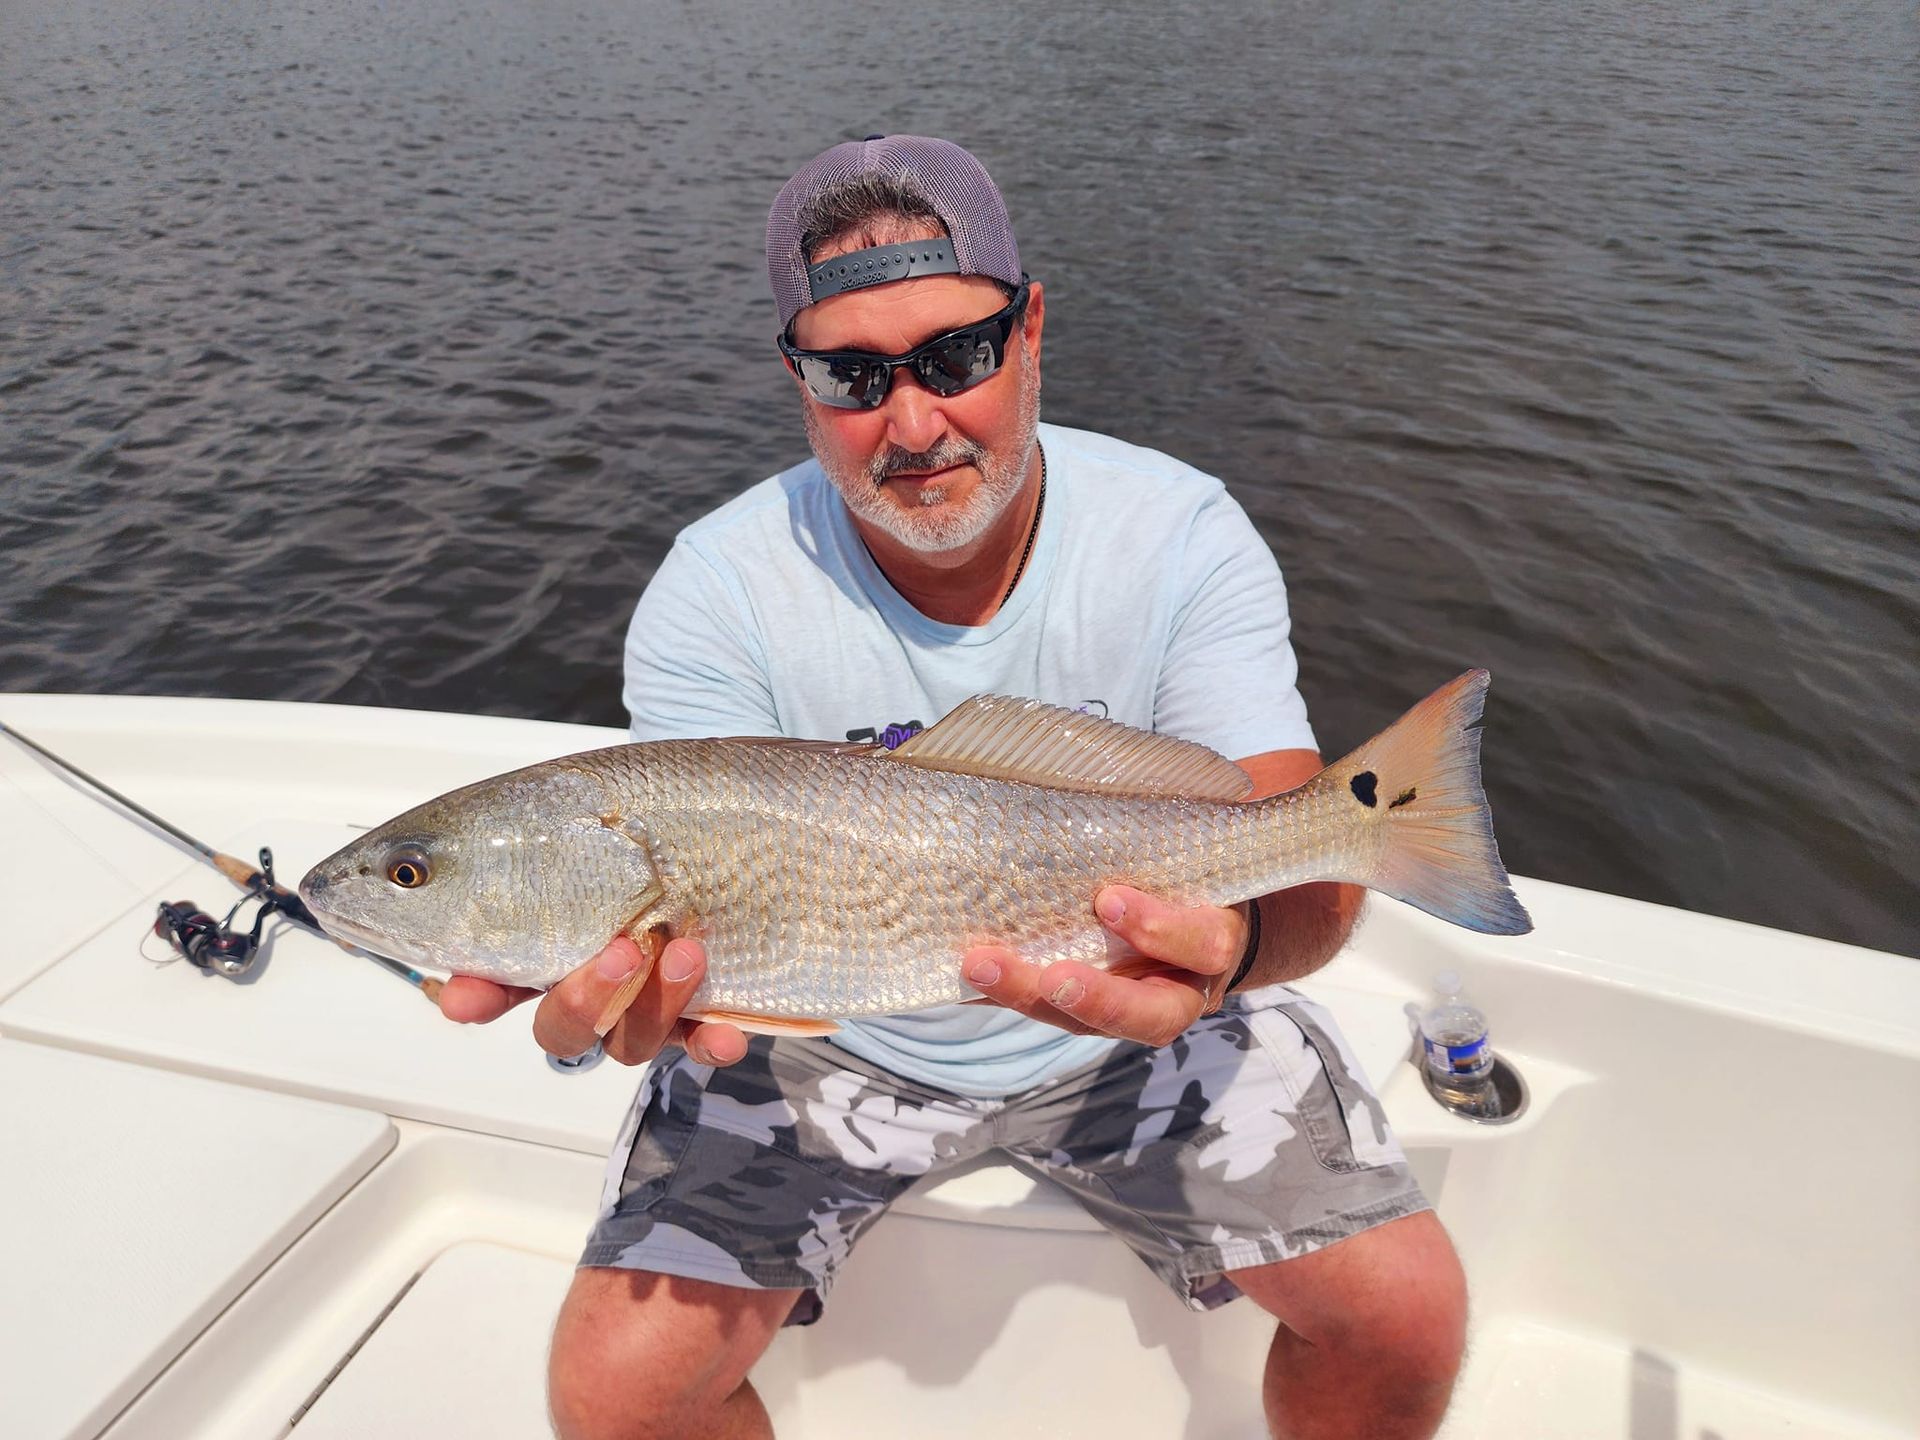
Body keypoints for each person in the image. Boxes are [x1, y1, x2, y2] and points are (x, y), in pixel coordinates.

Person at [439, 135, 1467, 1440]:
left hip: (1143, 1028)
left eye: (956, 357)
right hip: (820, 1047)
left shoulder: (1180, 532)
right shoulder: (715, 589)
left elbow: (1293, 850)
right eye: (853, 375)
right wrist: (648, 997)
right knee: (613, 1391)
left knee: (1407, 1311)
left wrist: (1235, 940)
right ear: (797, 380)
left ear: (1030, 330)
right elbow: (693, 955)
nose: (914, 422)